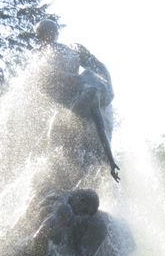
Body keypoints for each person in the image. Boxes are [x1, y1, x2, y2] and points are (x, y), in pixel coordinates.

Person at [35, 19, 120, 182]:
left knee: (74, 141)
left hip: (80, 98)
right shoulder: (42, 57)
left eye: (47, 34)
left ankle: (88, 177)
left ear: (54, 33)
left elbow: (101, 127)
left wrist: (111, 161)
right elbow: (44, 82)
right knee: (53, 140)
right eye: (41, 36)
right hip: (68, 101)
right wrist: (111, 161)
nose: (45, 39)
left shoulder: (89, 89)